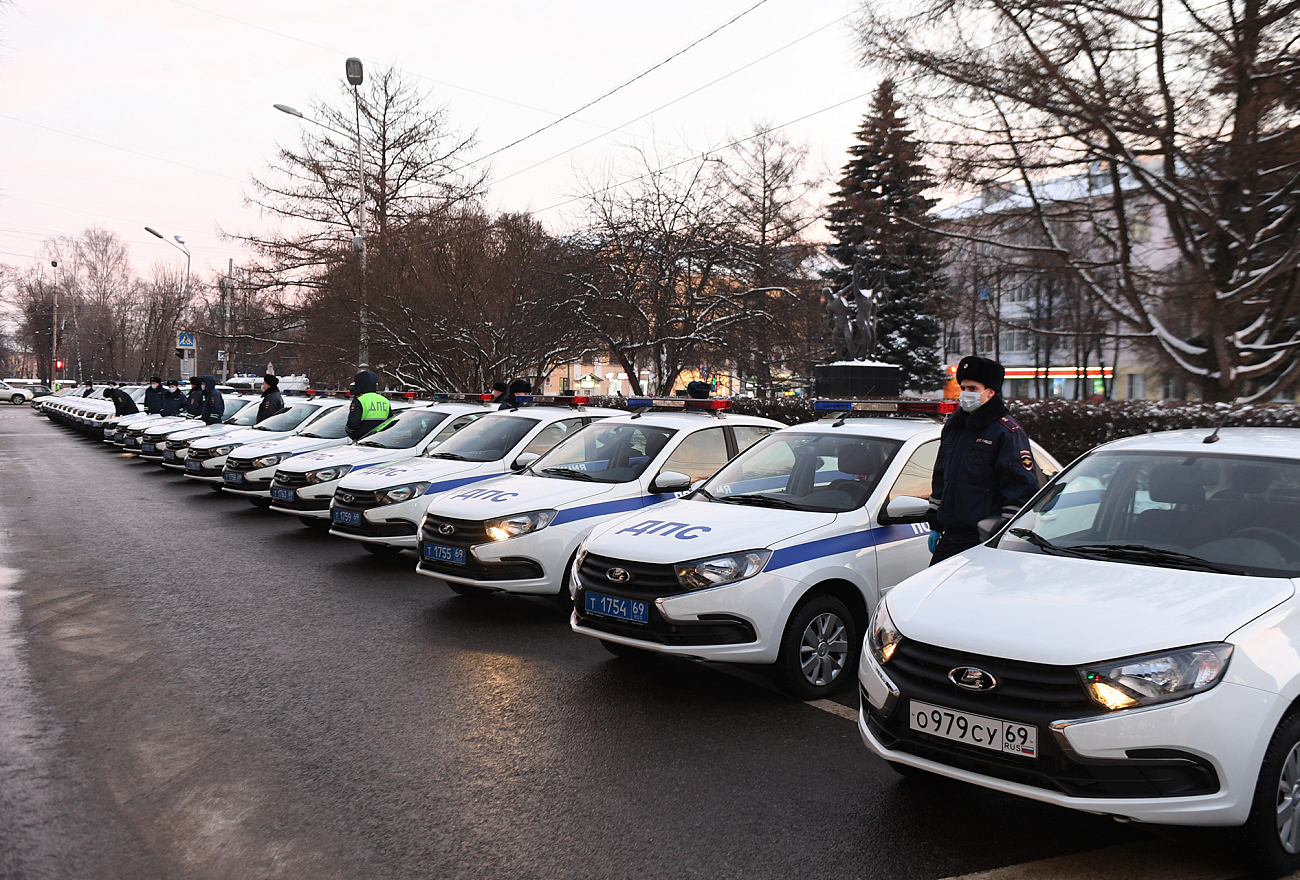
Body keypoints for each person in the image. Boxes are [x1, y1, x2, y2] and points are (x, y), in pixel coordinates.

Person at [927, 356, 1039, 565]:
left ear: (990, 392)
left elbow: (1021, 488)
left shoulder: (1007, 432)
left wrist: (1004, 535)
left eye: (973, 388)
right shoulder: (954, 426)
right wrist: (935, 523)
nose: (966, 394)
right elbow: (942, 476)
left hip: (984, 539)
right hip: (951, 537)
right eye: (963, 387)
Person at [345, 369, 390, 440]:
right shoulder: (384, 400)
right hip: (381, 440)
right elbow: (390, 422)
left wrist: (350, 432)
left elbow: (353, 423)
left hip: (363, 440)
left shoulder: (360, 400)